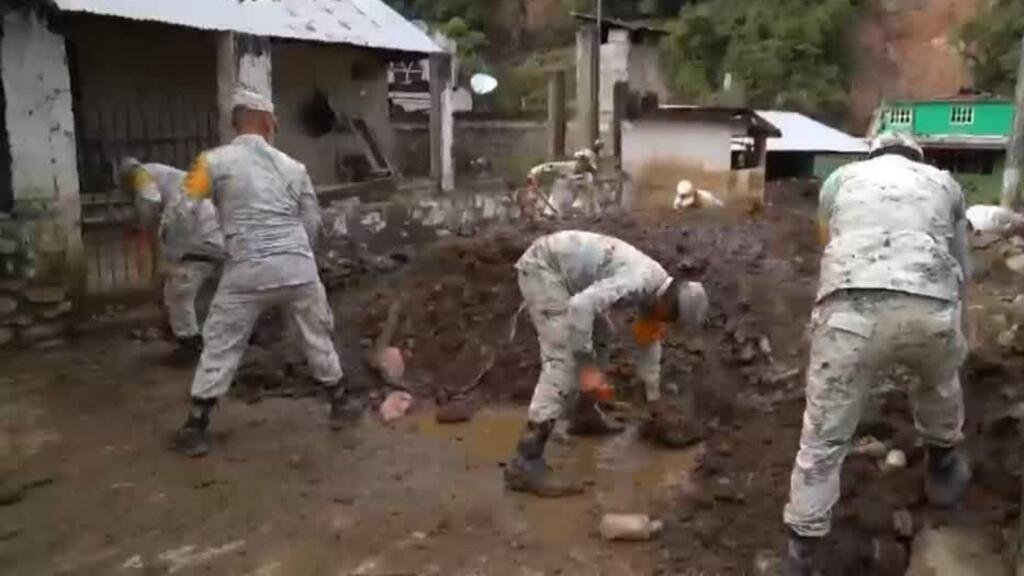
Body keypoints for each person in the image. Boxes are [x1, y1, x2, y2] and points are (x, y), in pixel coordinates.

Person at [783, 132, 972, 575]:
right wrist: (958, 330)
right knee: (939, 384)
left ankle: (801, 552)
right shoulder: (945, 183)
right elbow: (963, 267)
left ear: (872, 154)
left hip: (849, 311)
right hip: (931, 305)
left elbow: (827, 242)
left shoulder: (841, 180)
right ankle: (943, 469)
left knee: (823, 440)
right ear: (918, 157)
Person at [172, 88, 347, 457]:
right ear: (267, 122)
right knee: (317, 334)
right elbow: (312, 221)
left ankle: (196, 425)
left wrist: (188, 250)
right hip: (298, 268)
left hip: (246, 271)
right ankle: (340, 403)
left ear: (235, 123)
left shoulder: (211, 162)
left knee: (222, 342)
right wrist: (297, 255)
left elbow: (183, 210)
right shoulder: (295, 167)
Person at [505, 230, 708, 497]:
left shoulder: (656, 294)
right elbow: (580, 307)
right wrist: (587, 368)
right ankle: (525, 460)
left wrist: (654, 402)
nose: (665, 324)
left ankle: (584, 413)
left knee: (602, 334)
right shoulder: (638, 280)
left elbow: (648, 344)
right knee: (563, 357)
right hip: (544, 268)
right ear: (670, 304)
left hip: (565, 275)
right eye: (670, 319)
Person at [120, 159, 224, 357]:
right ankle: (207, 337)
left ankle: (189, 344)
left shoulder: (139, 174)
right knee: (203, 287)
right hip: (210, 225)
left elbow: (151, 199)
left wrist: (142, 225)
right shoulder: (167, 175)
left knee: (178, 291)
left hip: (192, 228)